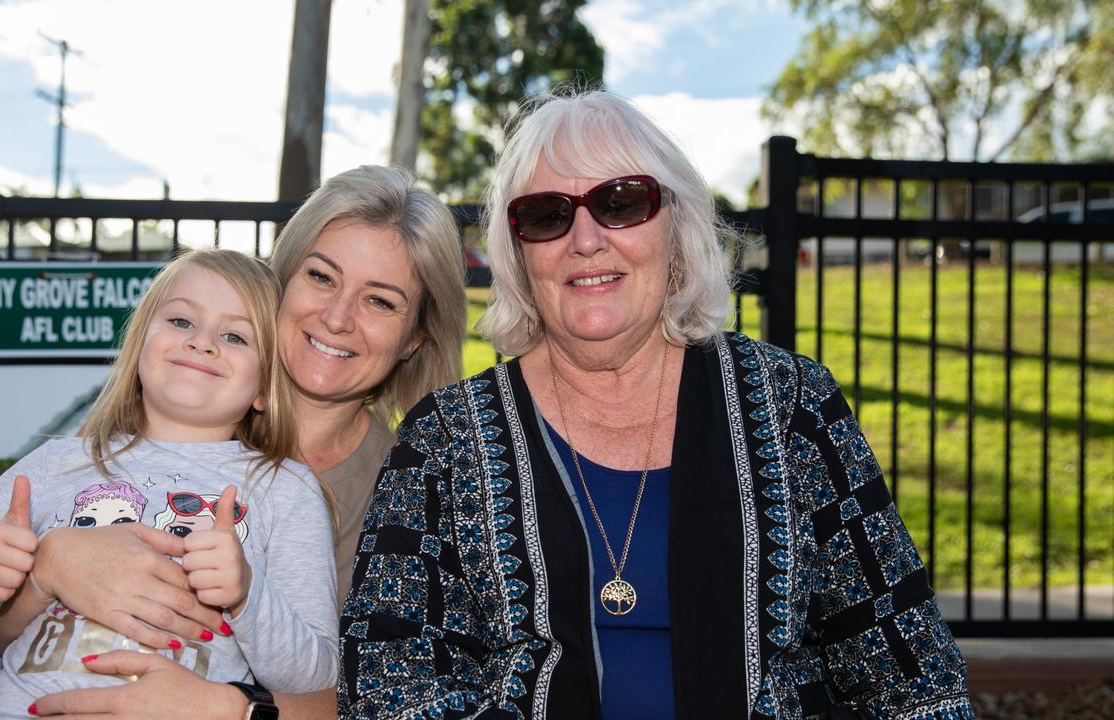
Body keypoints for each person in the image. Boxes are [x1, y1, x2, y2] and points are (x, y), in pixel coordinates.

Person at [337, 91, 974, 718]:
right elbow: (387, 685)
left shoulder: (793, 407)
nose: (585, 239)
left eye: (621, 203)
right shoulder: (446, 440)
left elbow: (913, 676)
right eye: (546, 215)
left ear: (677, 229)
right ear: (518, 254)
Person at [0, 165, 468, 719]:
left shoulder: (410, 494)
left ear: (414, 338)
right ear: (277, 282)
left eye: (380, 301)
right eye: (321, 277)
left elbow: (397, 701)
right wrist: (50, 564)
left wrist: (234, 712)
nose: (337, 317)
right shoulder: (164, 419)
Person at [0, 249, 341, 717]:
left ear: (265, 388)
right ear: (139, 343)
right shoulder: (57, 464)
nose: (203, 342)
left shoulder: (287, 490)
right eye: (181, 321)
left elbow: (314, 678)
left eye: (235, 335)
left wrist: (247, 595)